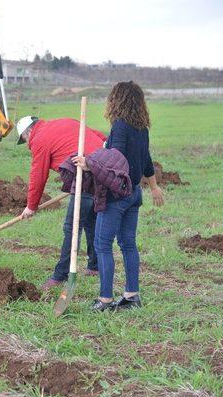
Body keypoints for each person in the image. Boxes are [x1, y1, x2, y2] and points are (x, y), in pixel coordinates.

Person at [72, 81, 165, 311]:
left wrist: (89, 164)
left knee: (102, 244)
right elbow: (146, 159)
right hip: (134, 193)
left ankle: (105, 300)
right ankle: (132, 297)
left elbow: (116, 161)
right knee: (128, 244)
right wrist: (153, 187)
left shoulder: (120, 126)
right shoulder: (141, 128)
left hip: (117, 196)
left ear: (117, 101)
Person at [16, 116, 106, 291]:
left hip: (85, 174)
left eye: (24, 138)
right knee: (90, 220)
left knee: (71, 226)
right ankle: (95, 266)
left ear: (28, 132)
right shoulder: (64, 121)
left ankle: (60, 275)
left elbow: (38, 175)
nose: (27, 143)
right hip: (101, 167)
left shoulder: (39, 140)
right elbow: (98, 136)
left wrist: (31, 206)